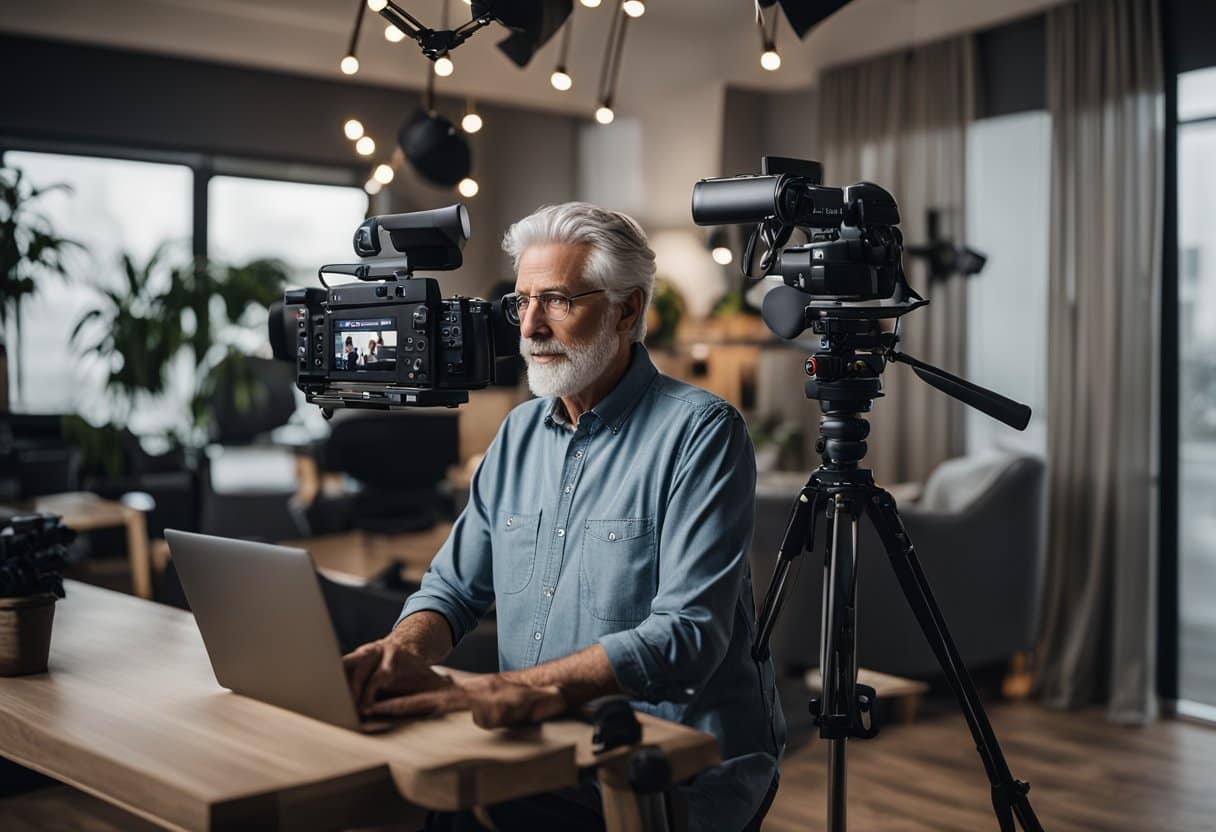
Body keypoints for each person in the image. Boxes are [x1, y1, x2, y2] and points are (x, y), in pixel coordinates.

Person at [342, 202, 785, 831]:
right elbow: (451, 591)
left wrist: (519, 688)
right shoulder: (518, 432)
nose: (530, 327)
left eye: (556, 301)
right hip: (541, 748)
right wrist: (399, 652)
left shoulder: (703, 433)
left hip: (672, 767)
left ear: (627, 309)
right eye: (520, 302)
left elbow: (688, 636)